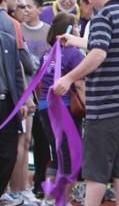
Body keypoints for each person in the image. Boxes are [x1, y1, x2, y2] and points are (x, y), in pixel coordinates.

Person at [51, 0, 119, 206]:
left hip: (107, 107)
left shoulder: (103, 17)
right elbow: (109, 47)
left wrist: (69, 78)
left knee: (96, 173)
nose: (88, 0)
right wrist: (76, 41)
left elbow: (99, 53)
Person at [38, 13, 85, 204]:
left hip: (45, 106)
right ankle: (61, 200)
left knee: (56, 153)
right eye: (76, 27)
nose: (79, 30)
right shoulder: (74, 54)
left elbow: (40, 83)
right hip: (64, 109)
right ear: (68, 31)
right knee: (69, 155)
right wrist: (88, 105)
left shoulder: (46, 54)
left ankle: (50, 198)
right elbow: (81, 84)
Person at [21, 0, 51, 200]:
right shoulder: (17, 28)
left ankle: (40, 181)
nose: (27, 10)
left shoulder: (48, 32)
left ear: (40, 9)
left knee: (42, 139)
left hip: (43, 92)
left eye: (30, 6)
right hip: (24, 89)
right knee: (24, 139)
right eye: (24, 6)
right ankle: (21, 184)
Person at [0, 0, 26, 203]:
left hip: (6, 100)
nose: (18, 1)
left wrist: (24, 99)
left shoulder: (10, 27)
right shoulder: (11, 24)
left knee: (9, 153)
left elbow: (17, 67)